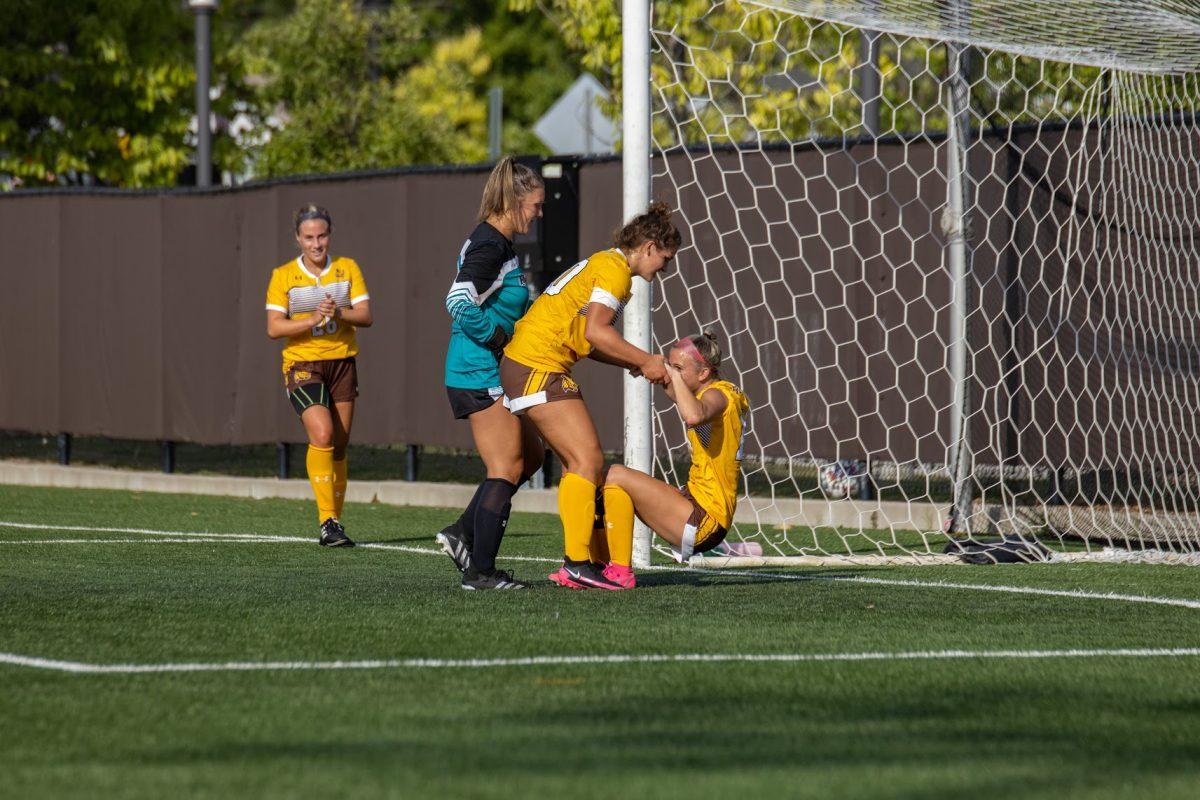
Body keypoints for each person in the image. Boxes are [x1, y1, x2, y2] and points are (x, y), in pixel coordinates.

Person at [500, 201, 681, 590]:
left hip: (530, 364)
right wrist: (646, 360)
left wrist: (630, 363)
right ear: (649, 246)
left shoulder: (606, 264)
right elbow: (598, 332)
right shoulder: (616, 272)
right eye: (665, 258)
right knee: (588, 460)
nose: (664, 268)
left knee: (577, 464)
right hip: (537, 365)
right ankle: (577, 563)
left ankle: (580, 564)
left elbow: (587, 338)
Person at [436, 156, 546, 590]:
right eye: (535, 205)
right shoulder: (489, 244)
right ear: (514, 200)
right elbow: (458, 303)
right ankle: (480, 571)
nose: (539, 213)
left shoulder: (498, 242)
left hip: (487, 368)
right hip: (476, 369)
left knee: (532, 457)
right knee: (507, 465)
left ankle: (462, 532)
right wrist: (501, 340)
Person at [600, 332, 750, 587]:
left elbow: (693, 415)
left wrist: (669, 374)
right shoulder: (708, 392)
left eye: (679, 367)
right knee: (615, 485)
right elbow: (681, 396)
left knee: (613, 473)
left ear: (703, 373)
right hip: (694, 507)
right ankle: (609, 569)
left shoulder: (720, 395)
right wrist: (651, 370)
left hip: (705, 519)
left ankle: (602, 568)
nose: (673, 373)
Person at [265, 205, 373, 547]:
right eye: (309, 237)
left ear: (330, 235)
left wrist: (338, 313)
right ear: (297, 238)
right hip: (302, 365)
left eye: (322, 235)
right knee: (323, 433)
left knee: (339, 445)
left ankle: (336, 523)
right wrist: (312, 319)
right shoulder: (283, 275)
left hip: (342, 362)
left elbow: (366, 316)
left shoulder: (347, 268)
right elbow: (274, 327)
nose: (316, 243)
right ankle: (327, 521)